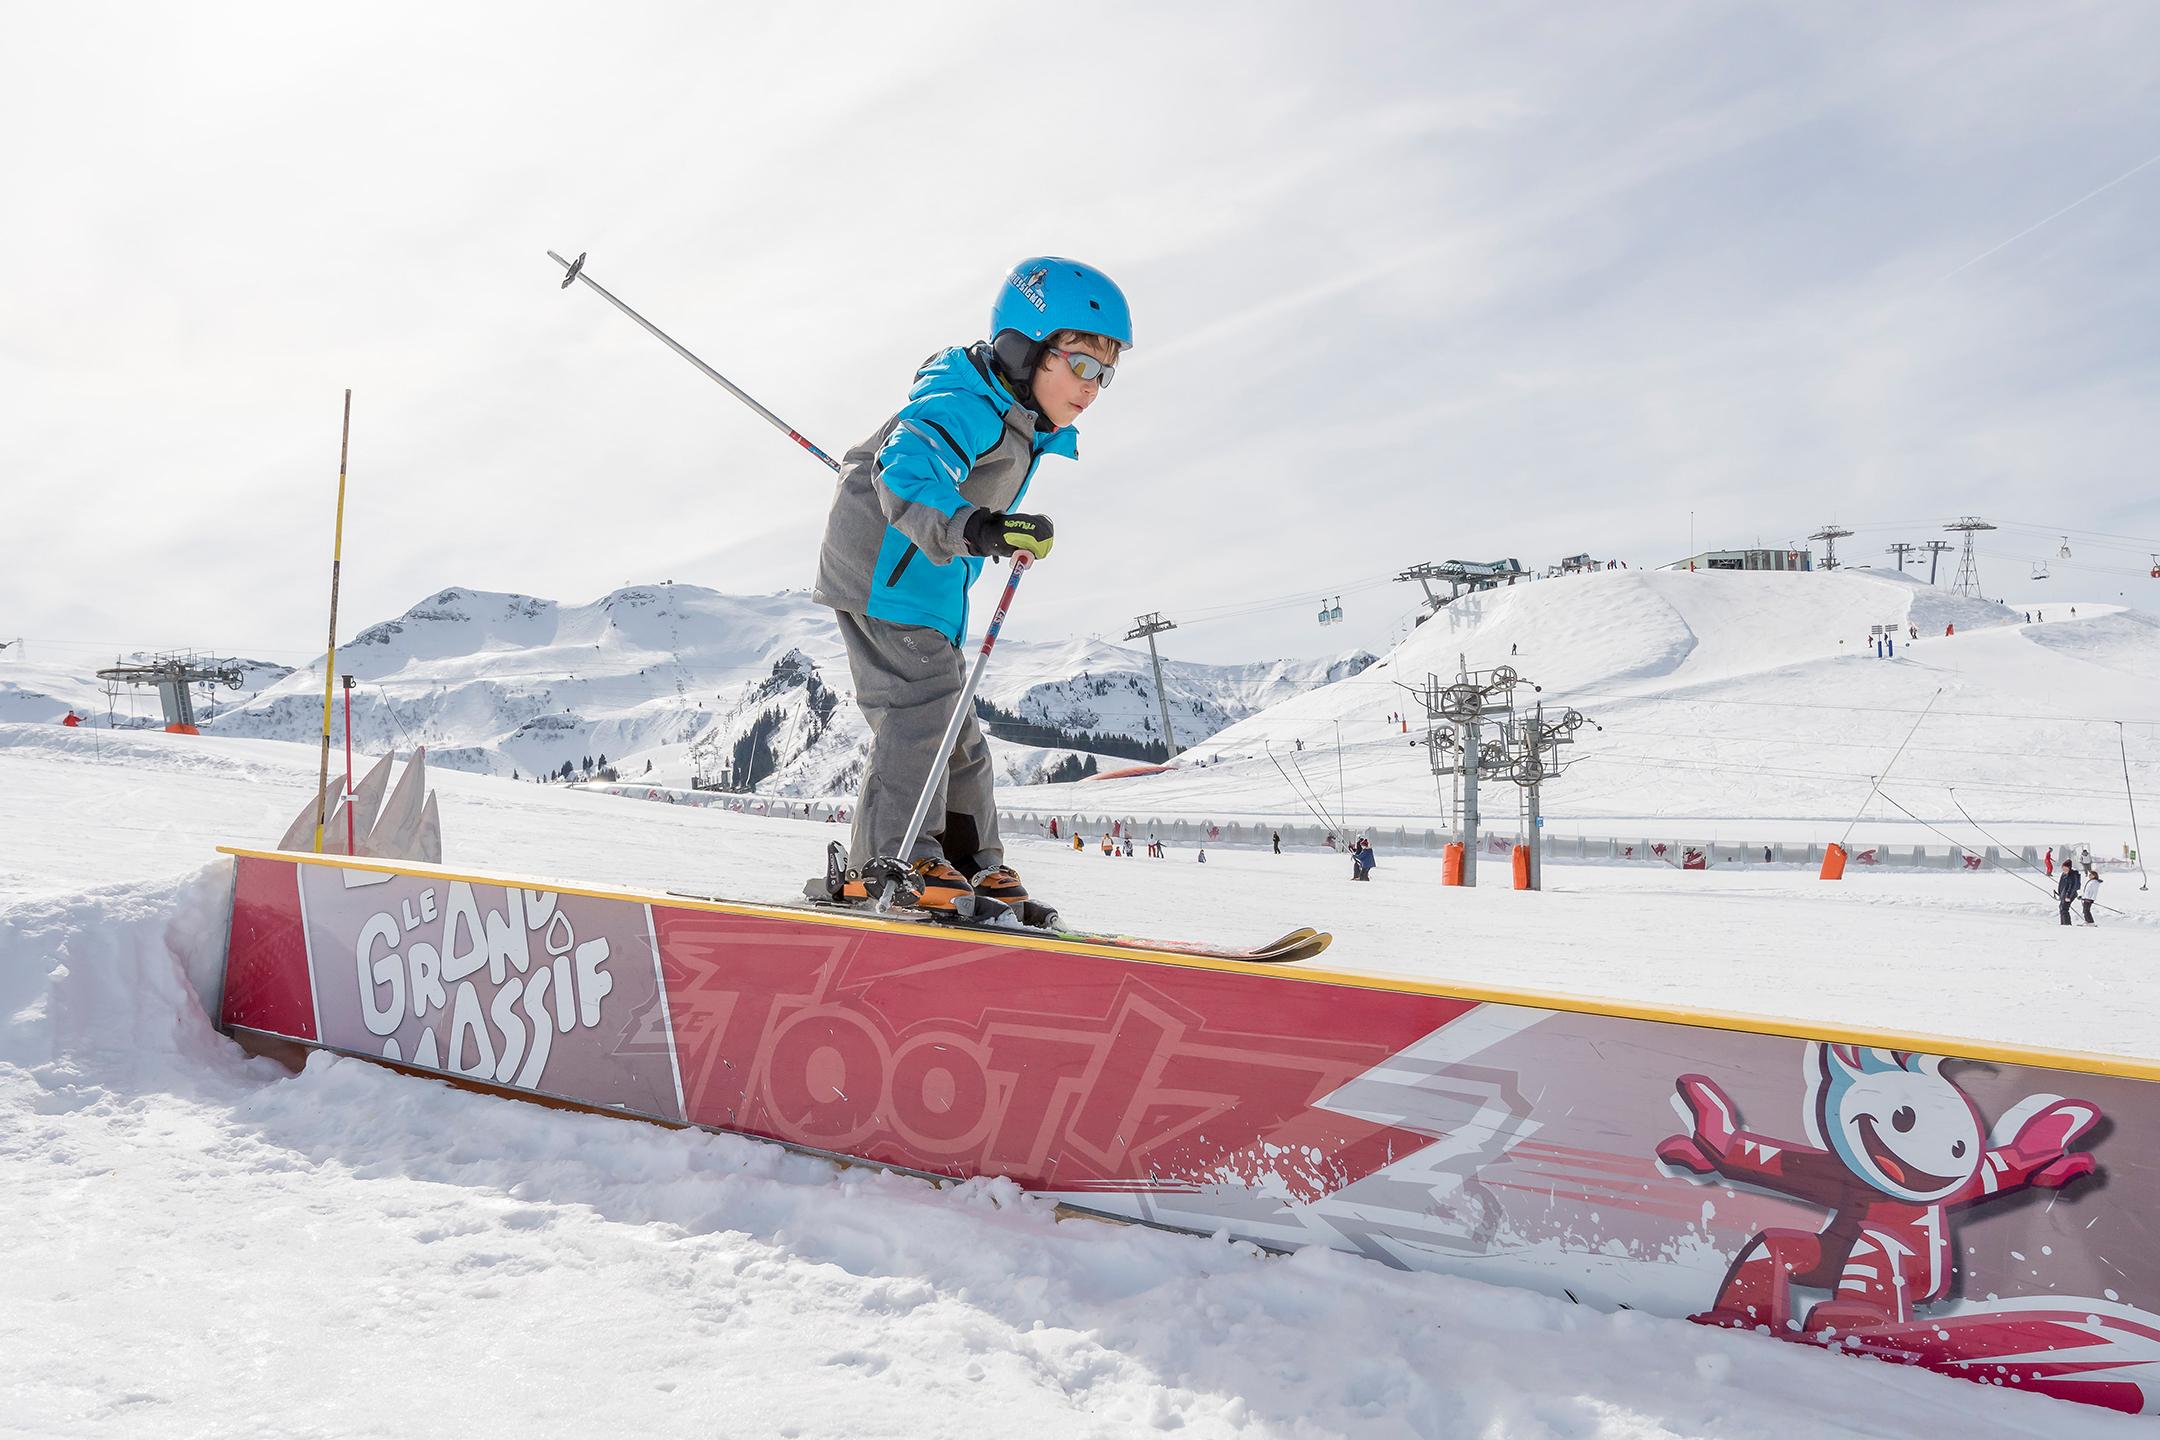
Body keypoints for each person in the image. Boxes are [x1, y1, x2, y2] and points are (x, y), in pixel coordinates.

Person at [813, 257, 1131, 910]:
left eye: (1107, 373)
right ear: (1024, 349)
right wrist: (978, 528)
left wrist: (988, 531)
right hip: (885, 572)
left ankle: (970, 865)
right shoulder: (967, 405)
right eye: (1081, 364)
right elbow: (905, 467)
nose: (1093, 386)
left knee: (959, 734)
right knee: (922, 712)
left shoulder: (1014, 423)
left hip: (925, 588)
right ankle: (890, 865)